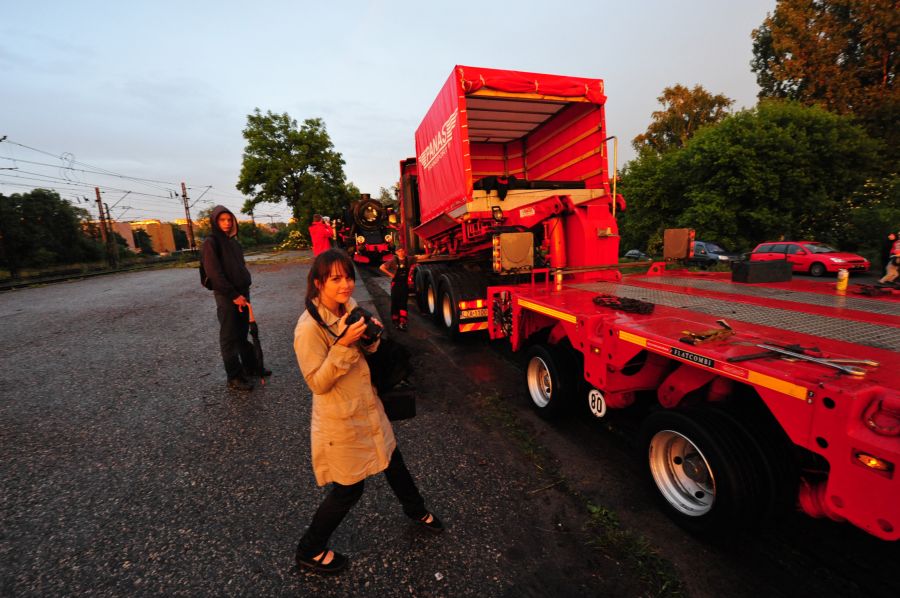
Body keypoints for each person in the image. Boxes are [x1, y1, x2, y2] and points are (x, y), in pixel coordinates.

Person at [293, 249, 443, 575]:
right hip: (341, 418)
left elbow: (368, 354)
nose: (346, 285)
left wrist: (371, 338)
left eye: (348, 277)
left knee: (392, 460)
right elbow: (317, 383)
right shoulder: (308, 328)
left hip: (368, 405)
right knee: (349, 489)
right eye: (335, 279)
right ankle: (310, 549)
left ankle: (416, 510)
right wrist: (344, 345)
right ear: (318, 283)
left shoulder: (348, 307)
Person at [201, 205, 270, 391]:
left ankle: (251, 367)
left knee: (241, 334)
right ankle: (234, 376)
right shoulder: (211, 242)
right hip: (227, 296)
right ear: (215, 222)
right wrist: (233, 295)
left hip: (242, 293)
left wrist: (243, 292)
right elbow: (214, 273)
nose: (227, 223)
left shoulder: (234, 242)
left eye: (229, 219)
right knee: (229, 337)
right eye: (222, 220)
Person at [379, 246, 414, 330]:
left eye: (402, 250)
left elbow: (420, 257)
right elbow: (381, 267)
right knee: (395, 303)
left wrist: (432, 253)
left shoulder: (409, 259)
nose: (401, 252)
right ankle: (395, 320)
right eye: (399, 251)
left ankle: (403, 322)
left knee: (403, 303)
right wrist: (391, 275)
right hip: (396, 285)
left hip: (404, 285)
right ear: (396, 252)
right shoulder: (393, 261)